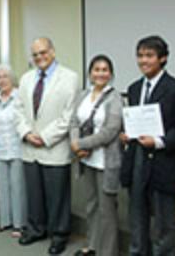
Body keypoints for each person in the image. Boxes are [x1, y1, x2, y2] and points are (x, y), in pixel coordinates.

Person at [120, 35, 175, 256]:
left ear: (162, 58)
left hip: (164, 161)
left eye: (149, 56)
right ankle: (137, 252)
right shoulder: (134, 88)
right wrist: (127, 134)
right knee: (136, 215)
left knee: (164, 221)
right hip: (136, 159)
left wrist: (159, 141)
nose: (143, 61)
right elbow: (134, 120)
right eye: (140, 55)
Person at [15, 37, 79, 255]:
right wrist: (26, 133)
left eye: (43, 52)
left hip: (54, 148)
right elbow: (19, 110)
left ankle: (59, 234)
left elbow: (68, 116)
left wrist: (44, 136)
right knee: (34, 194)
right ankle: (35, 229)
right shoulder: (25, 79)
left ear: (52, 51)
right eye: (35, 54)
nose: (39, 57)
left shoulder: (70, 78)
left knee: (57, 196)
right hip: (29, 147)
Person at [70, 55, 122, 256]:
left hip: (105, 162)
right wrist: (75, 144)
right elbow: (74, 122)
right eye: (96, 69)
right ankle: (91, 246)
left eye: (105, 70)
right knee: (91, 205)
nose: (100, 73)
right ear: (90, 73)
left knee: (107, 211)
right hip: (86, 160)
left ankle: (108, 252)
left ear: (110, 74)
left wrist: (79, 144)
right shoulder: (83, 95)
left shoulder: (115, 98)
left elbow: (110, 131)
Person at [0, 64, 26, 238]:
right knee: (1, 185)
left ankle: (19, 224)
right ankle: (4, 221)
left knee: (18, 186)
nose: (2, 80)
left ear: (12, 79)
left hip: (18, 149)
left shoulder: (20, 97)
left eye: (5, 76)